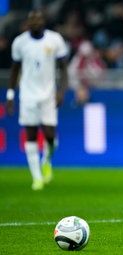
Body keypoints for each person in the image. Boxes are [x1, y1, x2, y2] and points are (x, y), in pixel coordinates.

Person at [6, 10, 68, 190]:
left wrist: (62, 91)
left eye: (38, 19)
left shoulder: (55, 40)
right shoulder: (20, 42)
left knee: (50, 136)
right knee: (31, 134)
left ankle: (46, 160)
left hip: (48, 95)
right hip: (27, 95)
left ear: (44, 21)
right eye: (31, 19)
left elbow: (63, 68)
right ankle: (37, 177)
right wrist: (11, 95)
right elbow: (14, 70)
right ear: (28, 23)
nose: (35, 22)